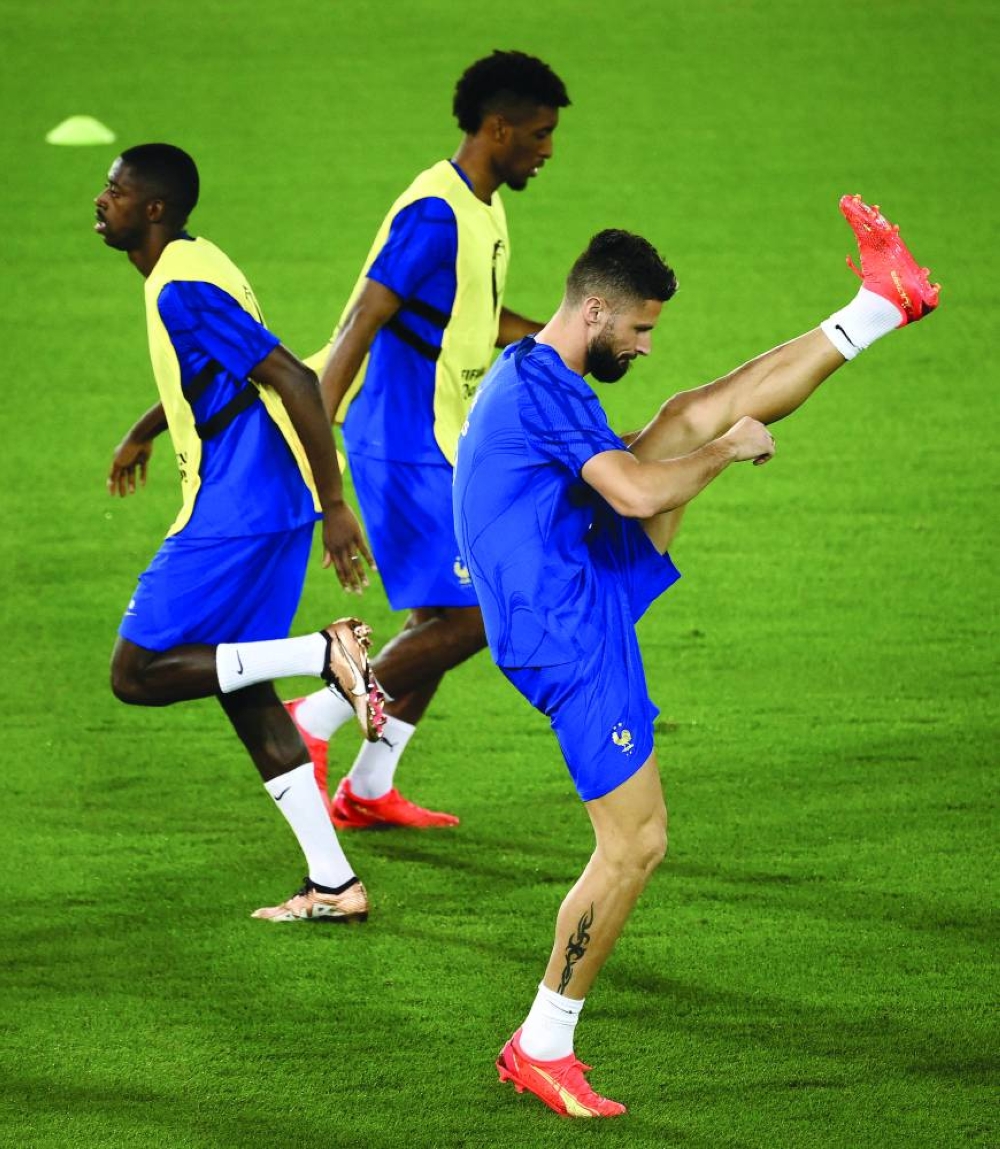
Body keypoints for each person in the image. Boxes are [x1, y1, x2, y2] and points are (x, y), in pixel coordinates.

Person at [452, 200, 939, 1117]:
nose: (641, 345)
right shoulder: (543, 390)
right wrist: (724, 454)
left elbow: (636, 468)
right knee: (635, 843)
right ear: (595, 311)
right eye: (638, 328)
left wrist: (703, 436)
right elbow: (635, 492)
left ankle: (881, 304)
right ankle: (541, 1041)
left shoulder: (534, 369)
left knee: (683, 411)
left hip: (568, 564)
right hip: (566, 629)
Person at [96, 142, 386, 924]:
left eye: (116, 191)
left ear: (153, 208)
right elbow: (223, 369)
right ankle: (334, 883)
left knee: (138, 672)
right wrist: (147, 426)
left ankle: (324, 653)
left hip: (238, 508)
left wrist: (336, 503)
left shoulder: (180, 286)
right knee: (241, 688)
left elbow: (288, 376)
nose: (102, 201)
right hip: (264, 501)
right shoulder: (193, 262)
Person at [285, 50, 571, 830]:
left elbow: (476, 321)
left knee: (443, 620)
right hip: (402, 443)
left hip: (446, 439)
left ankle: (370, 786)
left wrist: (568, 340)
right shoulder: (434, 213)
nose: (548, 150)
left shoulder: (483, 207)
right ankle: (308, 718)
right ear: (498, 126)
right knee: (476, 615)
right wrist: (324, 470)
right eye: (541, 134)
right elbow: (359, 323)